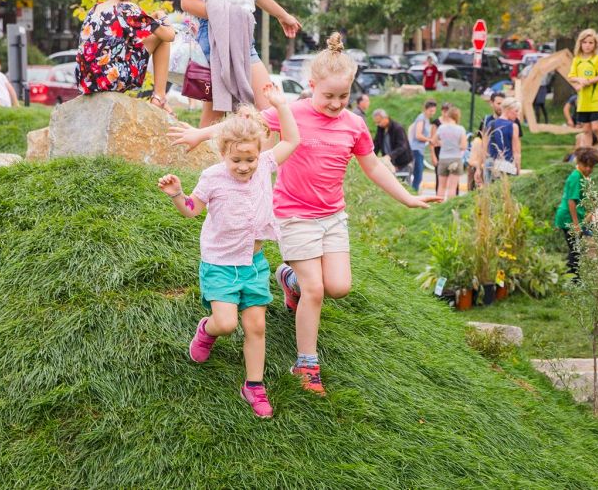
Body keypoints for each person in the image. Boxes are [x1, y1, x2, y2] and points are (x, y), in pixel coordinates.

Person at [168, 34, 440, 396]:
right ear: (311, 86)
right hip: (293, 213)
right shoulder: (292, 113)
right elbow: (242, 128)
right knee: (316, 289)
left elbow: (373, 167)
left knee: (338, 287)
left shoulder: (354, 125)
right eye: (328, 96)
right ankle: (306, 364)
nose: (335, 104)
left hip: (332, 217)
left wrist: (407, 198)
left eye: (343, 97)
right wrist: (201, 134)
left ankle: (288, 280)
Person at [157, 89, 299, 418]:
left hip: (254, 265)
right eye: (237, 160)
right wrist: (177, 194)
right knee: (225, 323)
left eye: (250, 159)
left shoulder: (264, 165)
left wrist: (280, 105)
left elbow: (291, 140)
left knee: (256, 327)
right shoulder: (213, 177)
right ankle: (206, 331)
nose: (244, 166)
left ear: (259, 152)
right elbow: (192, 210)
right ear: (223, 152)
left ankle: (254, 385)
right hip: (220, 265)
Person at [74, 0, 174, 110]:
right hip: (112, 79)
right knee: (161, 38)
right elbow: (169, 35)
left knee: (150, 33)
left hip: (87, 81)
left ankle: (159, 98)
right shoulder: (128, 9)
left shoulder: (94, 9)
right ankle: (159, 97)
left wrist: (148, 21)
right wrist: (162, 16)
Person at [555, 146, 598, 279]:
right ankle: (573, 278)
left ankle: (568, 274)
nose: (588, 169)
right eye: (585, 165)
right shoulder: (576, 177)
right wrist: (576, 225)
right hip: (568, 218)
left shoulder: (581, 176)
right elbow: (571, 202)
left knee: (575, 248)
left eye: (591, 166)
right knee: (576, 249)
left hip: (575, 217)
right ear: (578, 162)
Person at [567, 28, 598, 151]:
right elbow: (571, 77)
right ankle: (588, 154)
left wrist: (588, 81)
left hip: (596, 99)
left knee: (596, 127)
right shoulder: (576, 60)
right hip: (583, 100)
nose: (587, 45)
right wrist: (579, 80)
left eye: (591, 42)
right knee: (586, 129)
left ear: (595, 44)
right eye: (585, 42)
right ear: (580, 43)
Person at [485, 98, 522, 181]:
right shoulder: (513, 126)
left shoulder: (491, 124)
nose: (517, 115)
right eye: (516, 111)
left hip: (491, 163)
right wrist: (518, 170)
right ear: (508, 110)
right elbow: (516, 151)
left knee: (490, 191)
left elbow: (485, 147)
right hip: (506, 164)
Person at [434, 106, 467, 201]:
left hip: (443, 158)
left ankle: (439, 207)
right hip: (455, 158)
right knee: (452, 187)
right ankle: (449, 208)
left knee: (441, 186)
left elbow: (434, 141)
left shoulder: (441, 128)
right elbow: (463, 146)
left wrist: (443, 144)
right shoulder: (460, 129)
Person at [371, 109, 412, 175]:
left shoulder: (398, 128)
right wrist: (372, 156)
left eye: (379, 122)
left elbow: (402, 146)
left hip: (402, 162)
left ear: (386, 118)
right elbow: (377, 143)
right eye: (376, 123)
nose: (378, 124)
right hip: (390, 162)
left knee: (403, 183)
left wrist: (390, 156)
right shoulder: (380, 129)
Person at [408, 99, 437, 192]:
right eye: (430, 111)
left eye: (434, 111)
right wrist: (430, 140)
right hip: (416, 149)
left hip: (420, 149)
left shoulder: (426, 119)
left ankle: (413, 193)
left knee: (418, 175)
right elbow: (418, 135)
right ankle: (413, 194)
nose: (432, 113)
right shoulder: (421, 118)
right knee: (418, 175)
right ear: (425, 109)